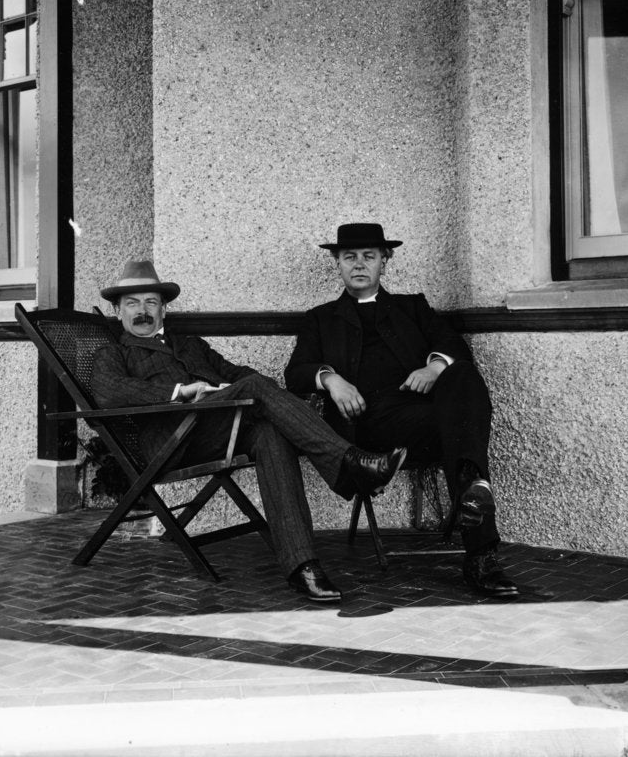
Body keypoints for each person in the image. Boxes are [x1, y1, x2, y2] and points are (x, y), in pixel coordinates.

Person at [90, 259, 407, 604]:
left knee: (269, 431)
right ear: (117, 310)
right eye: (132, 303)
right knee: (255, 387)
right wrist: (180, 392)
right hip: (170, 443)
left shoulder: (191, 345)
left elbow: (235, 371)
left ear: (163, 309)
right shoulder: (114, 352)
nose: (142, 311)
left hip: (214, 428)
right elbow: (107, 391)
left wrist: (254, 392)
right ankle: (349, 463)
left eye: (150, 302)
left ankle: (303, 566)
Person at [284, 223, 518, 598]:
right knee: (461, 432)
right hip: (368, 427)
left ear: (384, 261)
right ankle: (481, 546)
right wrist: (331, 380)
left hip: (426, 421)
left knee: (462, 374)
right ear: (337, 264)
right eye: (349, 258)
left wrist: (433, 368)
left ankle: (474, 490)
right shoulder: (320, 318)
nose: (359, 265)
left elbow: (452, 344)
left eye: (369, 257)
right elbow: (295, 374)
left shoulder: (412, 306)